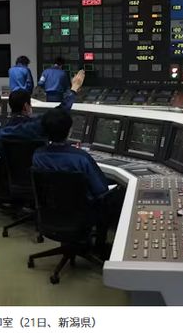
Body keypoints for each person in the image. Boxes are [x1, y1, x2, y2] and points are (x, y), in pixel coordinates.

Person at [32, 108, 124, 257]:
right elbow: (101, 190)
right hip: (82, 216)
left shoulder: (37, 155)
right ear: (69, 131)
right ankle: (100, 247)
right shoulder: (81, 158)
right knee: (115, 197)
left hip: (50, 214)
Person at [0, 69, 85, 141]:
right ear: (26, 106)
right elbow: (59, 112)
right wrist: (74, 88)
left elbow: (41, 83)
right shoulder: (33, 126)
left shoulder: (3, 129)